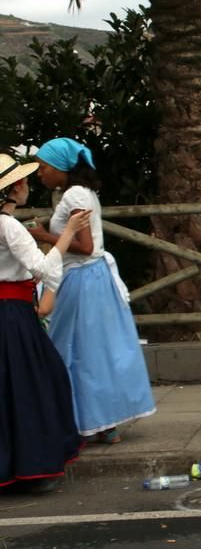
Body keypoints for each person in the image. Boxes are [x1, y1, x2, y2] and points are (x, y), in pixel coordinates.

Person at [29, 138, 156, 444]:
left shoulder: (74, 195)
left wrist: (44, 235)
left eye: (44, 167)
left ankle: (86, 421)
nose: (40, 173)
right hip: (92, 278)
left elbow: (85, 247)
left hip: (82, 279)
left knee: (73, 349)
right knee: (93, 350)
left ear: (60, 166)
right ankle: (98, 421)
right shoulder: (82, 193)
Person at [0, 153, 90, 493]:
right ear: (15, 188)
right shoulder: (9, 225)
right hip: (13, 315)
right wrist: (69, 232)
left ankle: (13, 467)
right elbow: (45, 269)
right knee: (35, 385)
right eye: (22, 181)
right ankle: (32, 468)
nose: (26, 186)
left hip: (10, 310)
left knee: (10, 388)